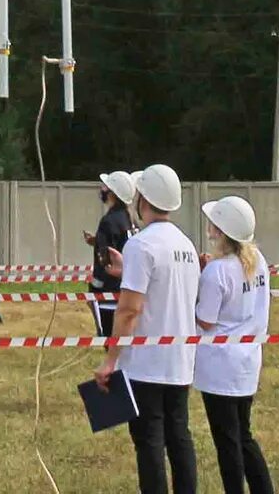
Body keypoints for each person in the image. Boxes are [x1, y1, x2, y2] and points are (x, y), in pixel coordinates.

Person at [98, 163, 201, 494]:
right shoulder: (185, 244)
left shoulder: (141, 245)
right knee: (179, 436)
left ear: (142, 198)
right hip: (180, 360)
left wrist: (110, 360)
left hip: (145, 364)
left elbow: (129, 310)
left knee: (149, 442)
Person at [193, 196, 274, 494]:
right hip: (247, 362)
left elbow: (205, 320)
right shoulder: (258, 262)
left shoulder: (217, 272)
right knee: (244, 436)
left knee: (226, 442)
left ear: (222, 230)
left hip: (219, 367)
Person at [90, 170, 137, 344]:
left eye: (105, 187)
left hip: (108, 295)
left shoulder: (108, 221)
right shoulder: (130, 219)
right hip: (127, 290)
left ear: (112, 193)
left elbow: (105, 261)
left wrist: (95, 290)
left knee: (112, 345)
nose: (101, 190)